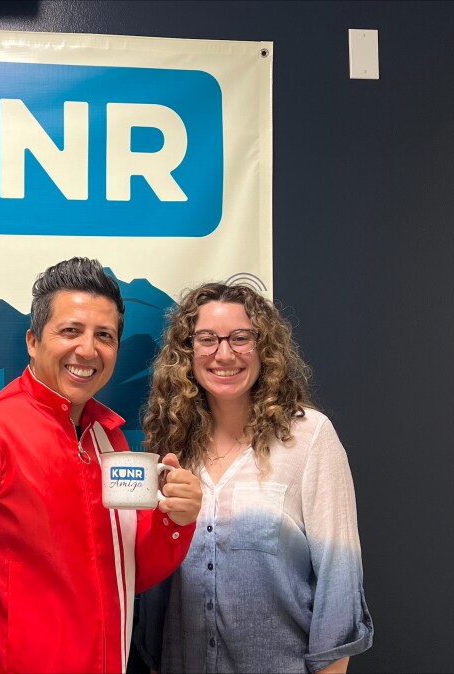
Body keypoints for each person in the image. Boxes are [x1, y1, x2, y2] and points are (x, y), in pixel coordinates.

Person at [0, 257, 203, 674]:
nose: (87, 350)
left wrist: (174, 522)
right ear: (33, 341)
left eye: (104, 336)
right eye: (70, 330)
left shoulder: (110, 439)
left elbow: (128, 574)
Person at [136, 282, 373, 674]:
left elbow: (339, 578)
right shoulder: (169, 448)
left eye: (241, 338)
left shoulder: (309, 438)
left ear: (265, 348)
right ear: (187, 351)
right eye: (207, 339)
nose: (224, 353)